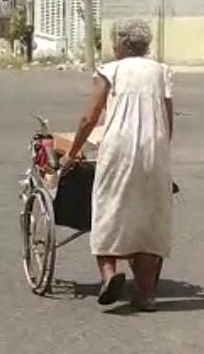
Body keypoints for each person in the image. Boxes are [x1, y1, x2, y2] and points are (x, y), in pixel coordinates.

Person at [62, 18, 173, 312]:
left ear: (122, 44)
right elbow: (168, 117)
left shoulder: (110, 70)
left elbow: (90, 117)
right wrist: (160, 149)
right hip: (156, 149)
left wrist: (72, 152)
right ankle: (146, 295)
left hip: (118, 148)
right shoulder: (161, 72)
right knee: (150, 216)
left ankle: (109, 275)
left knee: (109, 207)